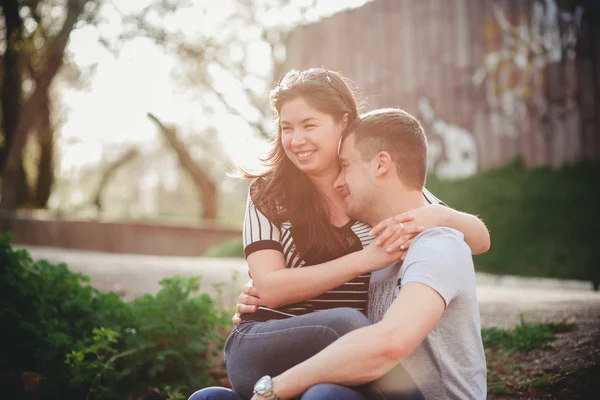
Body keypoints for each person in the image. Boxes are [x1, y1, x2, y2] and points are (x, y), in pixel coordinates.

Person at [188, 69, 489, 400]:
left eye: (309, 125)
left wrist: (439, 213)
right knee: (344, 325)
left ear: (343, 123)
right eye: (286, 128)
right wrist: (364, 259)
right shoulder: (270, 193)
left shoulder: (372, 187)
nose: (296, 140)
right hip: (268, 348)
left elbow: (474, 241)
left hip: (345, 365)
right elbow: (270, 288)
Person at [249, 108, 487, 400]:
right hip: (379, 392)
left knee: (325, 397)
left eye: (345, 165)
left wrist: (274, 390)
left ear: (380, 165)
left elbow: (389, 343)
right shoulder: (378, 249)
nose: (338, 182)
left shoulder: (436, 245)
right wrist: (261, 292)